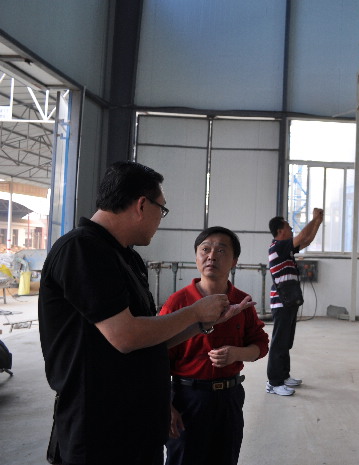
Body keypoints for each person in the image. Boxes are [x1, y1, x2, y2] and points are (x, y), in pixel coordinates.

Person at [39, 161, 245, 465]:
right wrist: (194, 311)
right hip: (100, 429)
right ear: (141, 205)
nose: (160, 220)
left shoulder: (126, 257)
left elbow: (150, 337)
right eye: (162, 210)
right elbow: (125, 336)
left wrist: (203, 323)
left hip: (134, 423)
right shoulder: (82, 249)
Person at [160, 226, 269, 465]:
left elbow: (261, 344)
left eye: (221, 250)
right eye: (205, 249)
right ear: (196, 257)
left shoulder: (241, 302)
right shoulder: (178, 302)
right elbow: (158, 357)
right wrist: (165, 405)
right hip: (187, 399)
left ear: (234, 261)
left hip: (229, 398)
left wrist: (238, 353)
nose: (211, 256)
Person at [265, 208, 323, 396]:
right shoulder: (278, 247)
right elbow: (302, 236)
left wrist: (318, 222)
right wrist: (314, 219)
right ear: (280, 231)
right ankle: (274, 383)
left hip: (288, 301)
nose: (291, 230)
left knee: (286, 341)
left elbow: (307, 240)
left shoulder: (286, 249)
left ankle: (284, 375)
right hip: (281, 302)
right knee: (279, 342)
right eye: (288, 227)